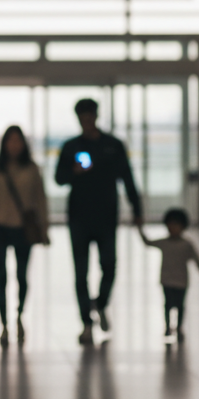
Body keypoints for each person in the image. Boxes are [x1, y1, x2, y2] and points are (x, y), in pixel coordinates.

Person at [55, 98, 143, 345]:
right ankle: (86, 321)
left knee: (109, 266)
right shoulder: (71, 147)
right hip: (79, 218)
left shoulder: (113, 146)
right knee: (80, 272)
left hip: (106, 216)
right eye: (82, 117)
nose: (87, 120)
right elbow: (58, 178)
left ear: (96, 116)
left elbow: (127, 177)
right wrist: (74, 172)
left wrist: (137, 209)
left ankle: (101, 303)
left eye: (90, 116)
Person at [0, 125, 50, 347]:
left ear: (23, 144)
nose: (14, 145)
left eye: (18, 141)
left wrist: (44, 228)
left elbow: (40, 200)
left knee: (22, 276)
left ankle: (19, 315)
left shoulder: (32, 169)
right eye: (11, 140)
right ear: (4, 143)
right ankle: (4, 324)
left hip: (23, 229)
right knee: (1, 277)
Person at [137, 207, 199, 341]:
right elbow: (147, 242)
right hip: (167, 280)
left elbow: (197, 259)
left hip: (181, 281)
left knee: (180, 305)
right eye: (170, 224)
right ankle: (168, 326)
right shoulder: (165, 243)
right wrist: (139, 228)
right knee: (168, 304)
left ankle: (179, 327)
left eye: (176, 225)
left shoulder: (187, 244)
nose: (173, 228)